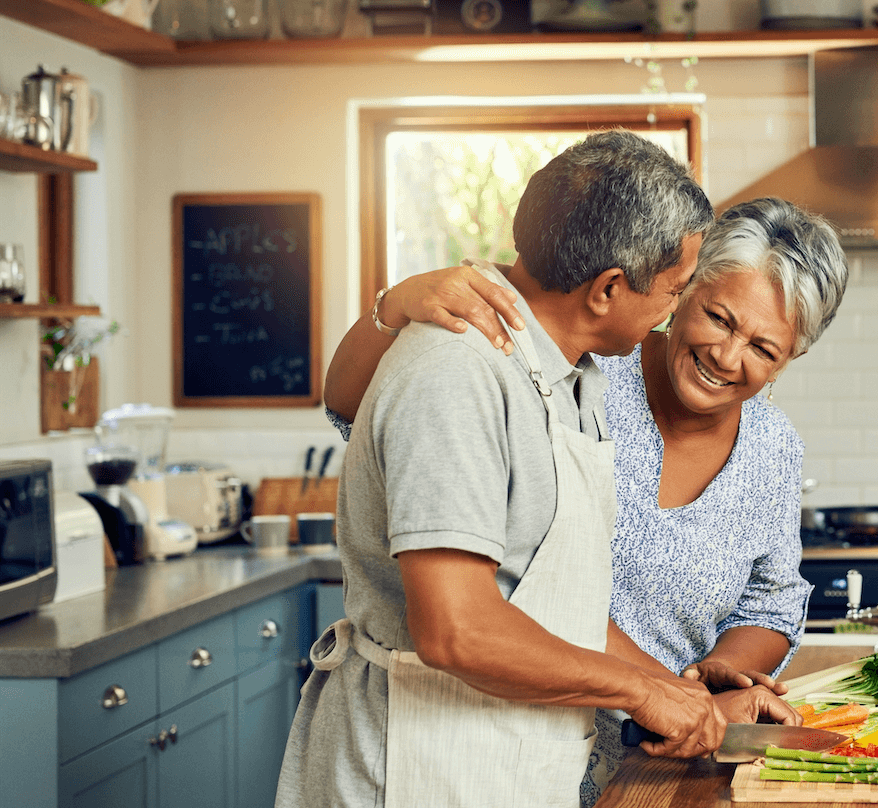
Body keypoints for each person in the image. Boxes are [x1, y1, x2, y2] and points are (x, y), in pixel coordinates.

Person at [323, 196, 850, 805]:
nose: (727, 358)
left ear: (791, 359)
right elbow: (357, 407)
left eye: (764, 349)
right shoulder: (583, 366)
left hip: (665, 751)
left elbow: (772, 599)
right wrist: (394, 306)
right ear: (683, 289)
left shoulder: (774, 447)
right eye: (720, 318)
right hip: (502, 732)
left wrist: (705, 684)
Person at [276, 130, 739, 808]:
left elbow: (551, 606)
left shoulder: (568, 374)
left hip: (502, 761)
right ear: (608, 288)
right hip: (415, 771)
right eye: (672, 291)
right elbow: (457, 628)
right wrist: (642, 693)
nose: (672, 314)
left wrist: (688, 697)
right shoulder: (456, 372)